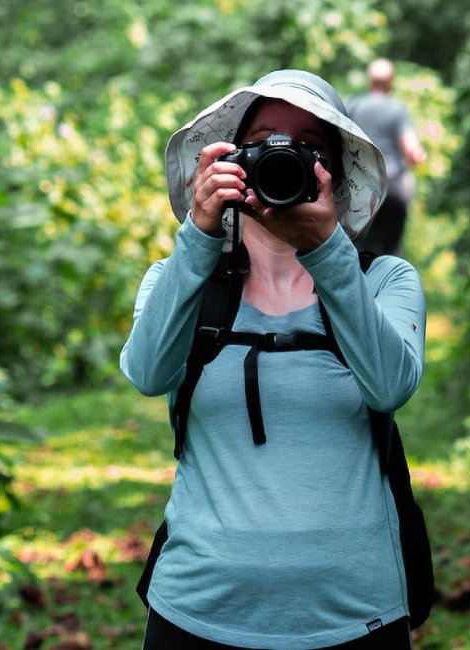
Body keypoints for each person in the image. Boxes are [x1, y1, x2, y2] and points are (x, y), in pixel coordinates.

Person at [120, 69, 426, 649]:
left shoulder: (385, 279)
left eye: (309, 147)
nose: (283, 157)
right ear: (230, 161)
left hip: (357, 613)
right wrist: (198, 237)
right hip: (196, 609)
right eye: (262, 142)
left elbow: (390, 387)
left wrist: (326, 250)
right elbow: (146, 373)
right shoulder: (179, 279)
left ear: (336, 176)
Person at [347, 59, 428, 258]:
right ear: (391, 82)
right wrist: (417, 157)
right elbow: (412, 151)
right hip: (392, 188)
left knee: (361, 251)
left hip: (360, 189)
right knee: (391, 252)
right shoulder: (397, 109)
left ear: (370, 81)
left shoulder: (353, 106)